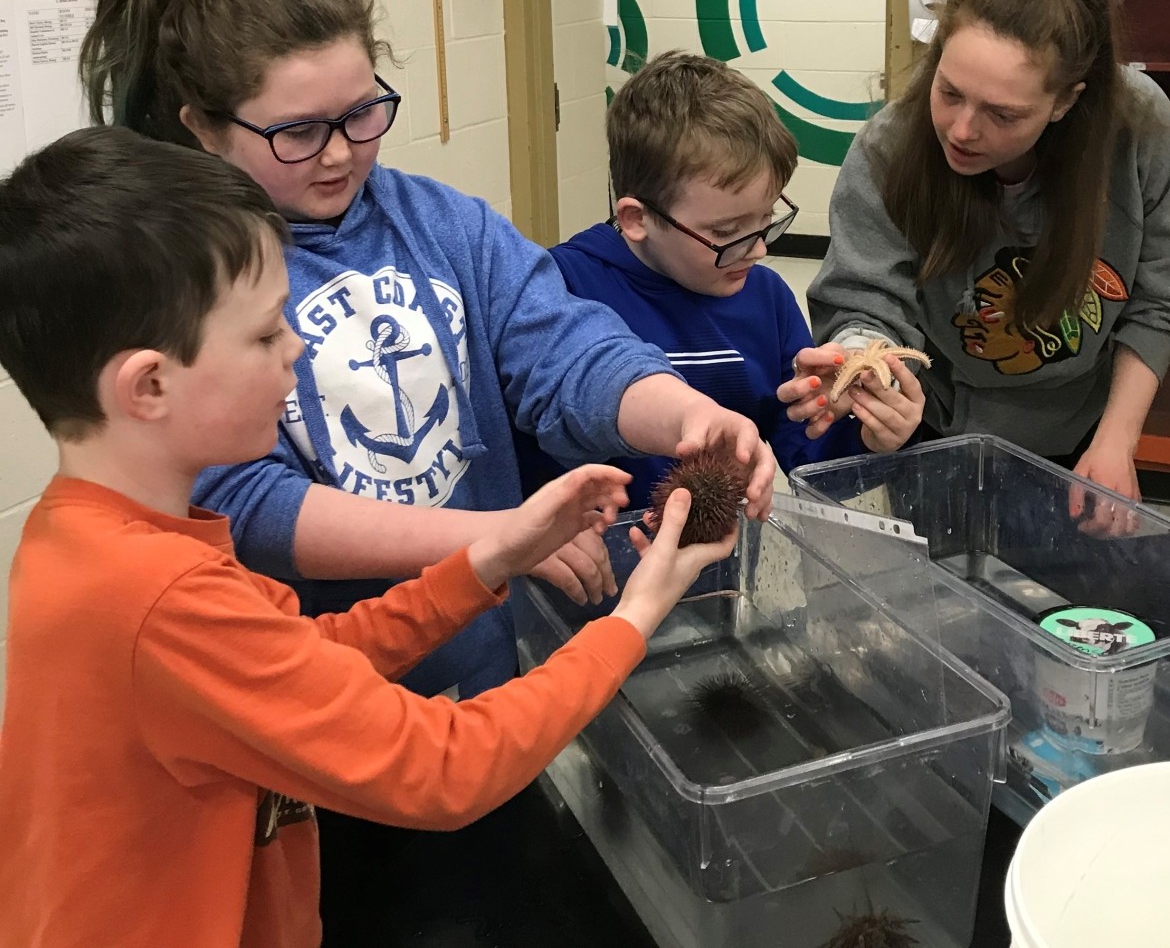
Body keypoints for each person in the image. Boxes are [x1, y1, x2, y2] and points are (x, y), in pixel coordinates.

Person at [0, 126, 738, 948]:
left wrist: (491, 553)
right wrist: (634, 617)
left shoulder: (85, 533)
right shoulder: (153, 596)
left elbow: (307, 656)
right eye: (265, 333)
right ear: (149, 384)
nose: (300, 346)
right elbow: (447, 766)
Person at [78, 0, 775, 704]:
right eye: (299, 132)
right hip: (315, 701)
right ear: (203, 128)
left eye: (362, 113)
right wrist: (497, 540)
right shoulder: (178, 277)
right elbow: (243, 502)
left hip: (481, 674)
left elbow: (566, 349)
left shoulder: (446, 226)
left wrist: (682, 412)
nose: (340, 153)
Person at [782, 0, 1170, 501]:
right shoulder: (890, 149)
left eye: (1004, 115)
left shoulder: (1137, 127)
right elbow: (867, 300)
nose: (962, 131)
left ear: (1066, 102)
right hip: (943, 428)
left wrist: (1117, 438)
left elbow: (1157, 297)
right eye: (949, 92)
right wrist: (867, 366)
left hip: (1084, 427)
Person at [519, 50, 923, 508]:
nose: (758, 249)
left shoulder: (765, 298)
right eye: (726, 233)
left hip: (719, 565)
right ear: (636, 219)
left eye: (767, 218)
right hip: (592, 564)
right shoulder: (560, 290)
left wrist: (871, 437)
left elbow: (808, 462)